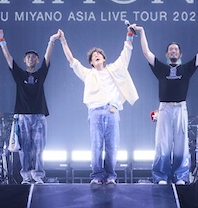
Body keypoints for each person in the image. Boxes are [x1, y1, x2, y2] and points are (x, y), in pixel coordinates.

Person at [133, 21, 198, 185]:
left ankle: (180, 176)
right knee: (162, 143)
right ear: (167, 54)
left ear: (180, 54)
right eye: (170, 49)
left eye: (176, 49)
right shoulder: (161, 68)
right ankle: (161, 176)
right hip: (165, 108)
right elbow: (146, 52)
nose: (173, 51)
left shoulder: (186, 69)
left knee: (181, 144)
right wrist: (142, 32)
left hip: (181, 107)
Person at [57, 26, 139, 185]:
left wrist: (129, 35)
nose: (96, 55)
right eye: (93, 56)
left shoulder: (114, 69)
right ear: (91, 62)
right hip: (95, 111)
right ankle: (97, 175)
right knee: (96, 145)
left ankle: (110, 176)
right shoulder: (88, 74)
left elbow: (126, 53)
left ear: (103, 58)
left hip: (112, 110)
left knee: (112, 146)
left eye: (98, 54)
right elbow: (72, 60)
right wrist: (63, 40)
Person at [0, 26, 62, 185]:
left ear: (37, 60)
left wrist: (52, 41)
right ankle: (26, 176)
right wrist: (1, 40)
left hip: (39, 115)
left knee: (39, 148)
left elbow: (47, 58)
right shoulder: (19, 75)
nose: (31, 58)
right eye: (28, 57)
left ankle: (38, 175)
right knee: (24, 148)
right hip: (23, 116)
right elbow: (8, 58)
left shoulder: (40, 74)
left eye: (34, 57)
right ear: (24, 60)